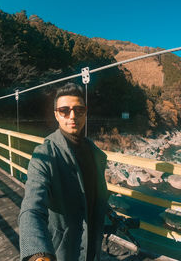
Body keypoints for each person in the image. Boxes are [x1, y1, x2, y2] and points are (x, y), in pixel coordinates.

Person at [19, 83, 109, 261]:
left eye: (79, 109)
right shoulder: (44, 154)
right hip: (63, 251)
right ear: (56, 115)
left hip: (93, 248)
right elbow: (31, 209)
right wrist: (38, 254)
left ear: (85, 112)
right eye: (64, 110)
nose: (73, 116)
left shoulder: (96, 154)